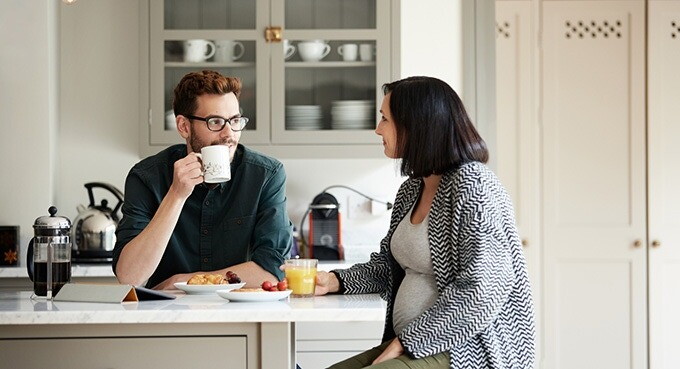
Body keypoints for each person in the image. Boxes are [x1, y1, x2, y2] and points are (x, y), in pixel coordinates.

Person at [314, 76, 535, 369]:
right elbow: (388, 268)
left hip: (467, 350)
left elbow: (483, 289)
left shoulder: (473, 186)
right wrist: (334, 281)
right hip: (414, 342)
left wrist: (409, 340)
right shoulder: (411, 189)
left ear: (416, 126)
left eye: (385, 119)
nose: (377, 129)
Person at [113, 70, 292, 290]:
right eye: (215, 122)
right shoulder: (146, 177)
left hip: (240, 314)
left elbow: (272, 270)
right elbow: (130, 276)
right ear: (184, 127)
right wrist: (176, 195)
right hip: (165, 315)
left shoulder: (266, 175)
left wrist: (185, 281)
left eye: (235, 120)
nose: (229, 134)